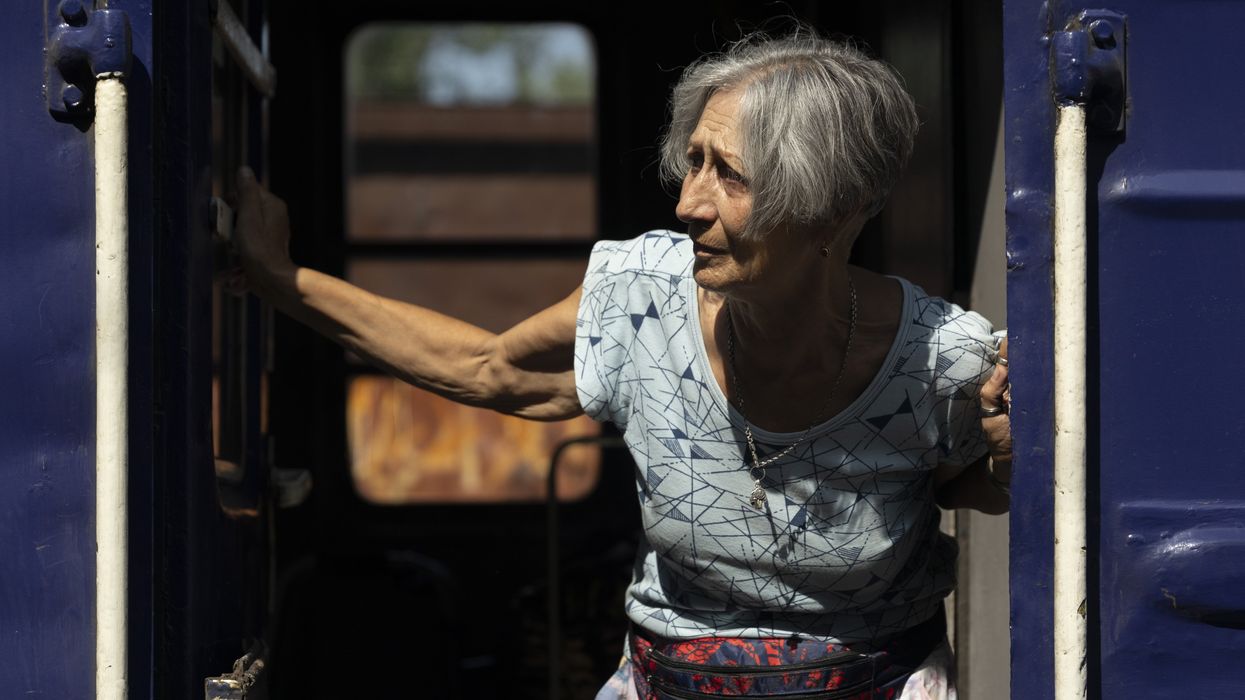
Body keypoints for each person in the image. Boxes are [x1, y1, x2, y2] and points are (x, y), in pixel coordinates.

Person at [234, 26, 1011, 700]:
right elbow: (486, 367)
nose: (688, 204)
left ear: (831, 210)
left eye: (728, 174)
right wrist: (281, 279)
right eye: (693, 162)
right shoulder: (641, 298)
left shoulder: (940, 358)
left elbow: (961, 480)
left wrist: (1010, 462)